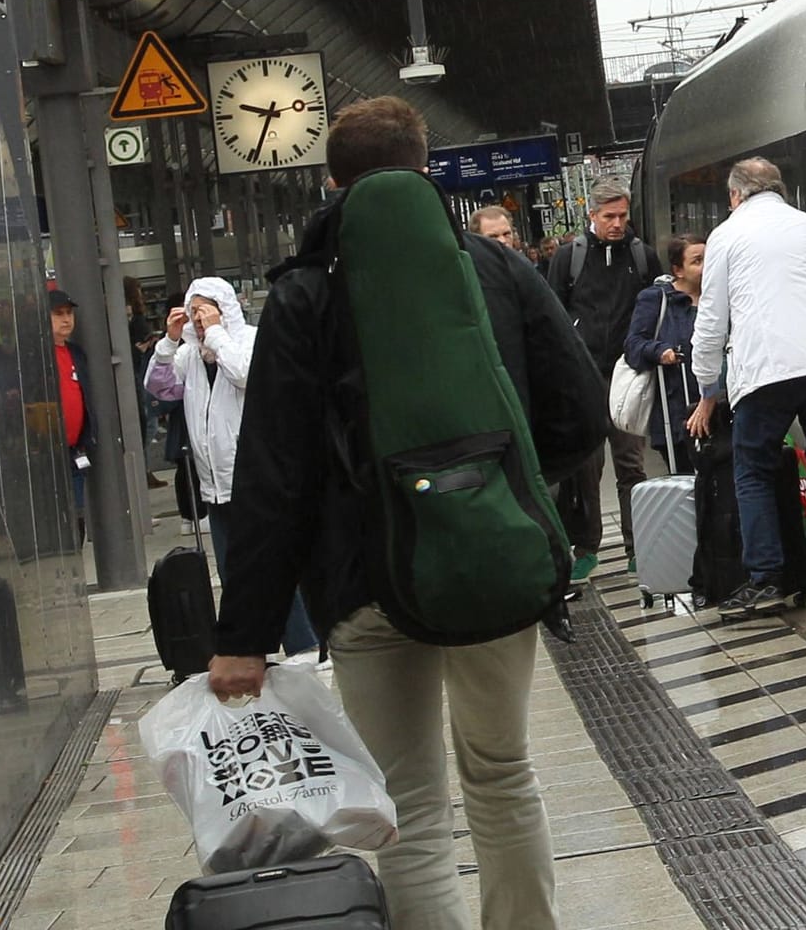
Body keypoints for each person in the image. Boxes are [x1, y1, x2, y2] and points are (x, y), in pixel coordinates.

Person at [207, 96, 601, 930]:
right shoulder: (496, 269)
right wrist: (499, 490)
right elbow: (579, 412)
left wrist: (244, 633)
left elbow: (274, 475)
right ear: (429, 171)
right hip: (491, 568)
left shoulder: (304, 293)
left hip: (364, 579)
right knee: (503, 775)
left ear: (331, 184)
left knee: (409, 802)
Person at [689, 158, 806, 617]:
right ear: (778, 189)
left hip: (767, 370)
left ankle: (766, 579)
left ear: (735, 195)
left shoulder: (727, 235)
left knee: (753, 472)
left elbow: (711, 321)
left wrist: (708, 387)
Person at [146, 276, 319, 658]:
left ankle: (304, 646)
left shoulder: (250, 340)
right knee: (235, 572)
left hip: (257, 478)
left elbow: (246, 375)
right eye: (194, 312)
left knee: (275, 565)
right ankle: (253, 648)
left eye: (206, 310)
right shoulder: (190, 355)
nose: (199, 320)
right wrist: (170, 342)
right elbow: (160, 389)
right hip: (215, 483)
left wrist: (219, 336)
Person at [547, 178, 661, 578]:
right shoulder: (569, 259)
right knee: (586, 467)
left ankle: (637, 545)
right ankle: (586, 545)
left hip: (628, 375)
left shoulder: (641, 257)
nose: (617, 223)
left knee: (631, 462)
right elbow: (555, 312)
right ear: (591, 215)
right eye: (609, 216)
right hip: (585, 378)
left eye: (623, 216)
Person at [623, 234, 705, 475]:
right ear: (678, 270)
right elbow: (634, 344)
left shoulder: (721, 297)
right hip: (677, 411)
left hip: (720, 408)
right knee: (688, 483)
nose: (706, 267)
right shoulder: (657, 299)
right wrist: (660, 351)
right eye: (698, 261)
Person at [48, 288, 94, 543]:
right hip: (47, 451)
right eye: (58, 314)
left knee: (76, 513)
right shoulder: (39, 355)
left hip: (75, 448)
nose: (66, 319)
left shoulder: (76, 353)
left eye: (69, 313)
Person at [125, 275, 167, 489]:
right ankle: (143, 468)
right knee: (147, 421)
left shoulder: (129, 315)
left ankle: (144, 468)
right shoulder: (134, 317)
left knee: (147, 420)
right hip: (137, 369)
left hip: (138, 369)